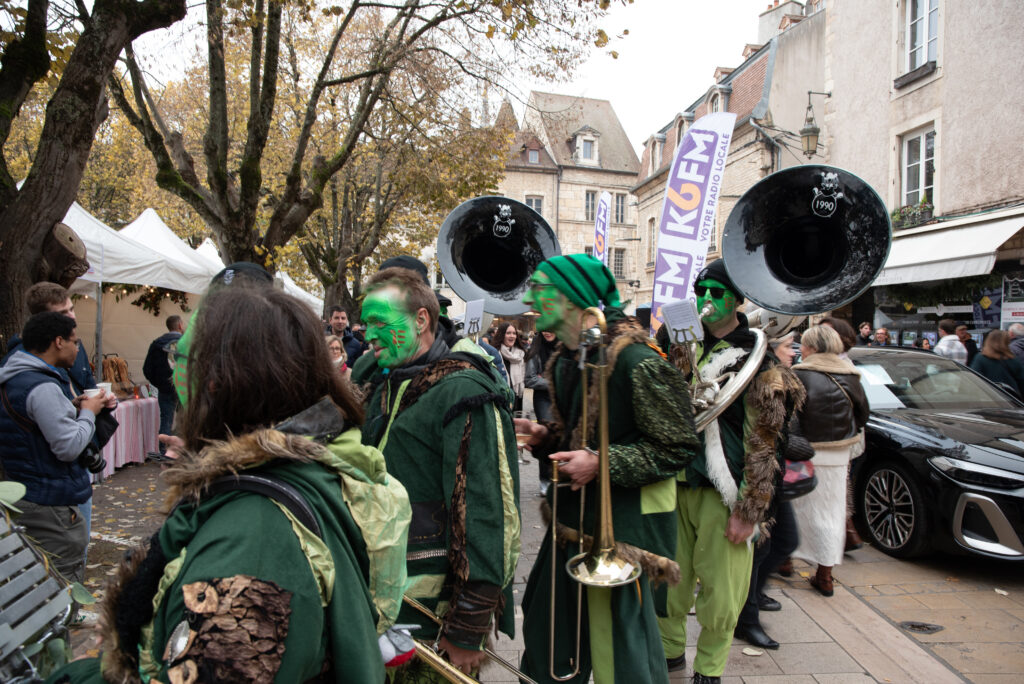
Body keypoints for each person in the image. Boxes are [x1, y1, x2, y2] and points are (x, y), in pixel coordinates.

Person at [53, 283, 412, 683]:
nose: (174, 371)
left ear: (218, 382)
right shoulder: (291, 470)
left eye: (182, 357)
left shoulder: (252, 547)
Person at [516, 253, 700, 684]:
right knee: (547, 633)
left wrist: (602, 463)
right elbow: (578, 433)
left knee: (623, 654)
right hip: (571, 524)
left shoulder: (637, 360)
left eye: (540, 288)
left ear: (572, 298)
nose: (529, 296)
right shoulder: (567, 358)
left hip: (623, 537)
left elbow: (677, 446)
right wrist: (546, 437)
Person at [359, 266, 520, 678]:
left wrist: (467, 627)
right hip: (379, 591)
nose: (369, 334)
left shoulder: (464, 390)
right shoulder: (382, 380)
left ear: (421, 319)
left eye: (380, 323)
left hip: (432, 602)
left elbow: (489, 513)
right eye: (365, 324)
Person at [655, 260, 801, 684]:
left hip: (725, 490)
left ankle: (710, 667)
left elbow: (766, 440)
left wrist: (750, 508)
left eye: (717, 293)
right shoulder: (680, 340)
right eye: (702, 291)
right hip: (673, 483)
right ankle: (669, 656)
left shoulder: (760, 356)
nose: (707, 300)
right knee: (670, 583)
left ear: (736, 300)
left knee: (723, 593)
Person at [0, 312, 110, 583]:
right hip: (48, 500)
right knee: (60, 584)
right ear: (58, 342)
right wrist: (89, 413)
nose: (78, 348)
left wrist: (70, 408)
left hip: (24, 491)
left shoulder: (14, 377)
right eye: (76, 341)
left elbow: (28, 424)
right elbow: (69, 446)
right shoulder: (41, 386)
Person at [733, 333, 809, 651]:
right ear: (769, 347)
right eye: (787, 345)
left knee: (778, 545)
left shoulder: (781, 379)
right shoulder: (761, 377)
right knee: (761, 550)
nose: (793, 351)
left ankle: (750, 602)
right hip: (761, 482)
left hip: (774, 483)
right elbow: (764, 435)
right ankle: (746, 616)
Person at [790, 325, 869, 597]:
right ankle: (825, 575)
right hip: (839, 453)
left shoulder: (799, 374)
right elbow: (863, 415)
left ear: (810, 347)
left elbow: (789, 415)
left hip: (805, 449)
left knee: (795, 506)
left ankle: (785, 559)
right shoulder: (852, 375)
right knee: (832, 513)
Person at [143, 315, 185, 454]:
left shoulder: (157, 344)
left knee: (166, 420)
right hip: (184, 388)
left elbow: (147, 369)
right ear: (179, 325)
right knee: (186, 419)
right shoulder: (186, 343)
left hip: (165, 389)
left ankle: (165, 451)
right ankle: (184, 450)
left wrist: (160, 383)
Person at [523, 330, 558, 495]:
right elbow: (529, 379)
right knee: (546, 437)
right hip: (544, 398)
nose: (548, 332)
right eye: (544, 328)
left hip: (562, 397)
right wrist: (553, 384)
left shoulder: (566, 347)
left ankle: (560, 477)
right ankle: (545, 480)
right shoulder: (536, 350)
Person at [970, 330, 1024, 397]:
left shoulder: (980, 358)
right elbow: (1021, 382)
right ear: (1006, 342)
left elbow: (974, 380)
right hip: (1011, 398)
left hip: (989, 397)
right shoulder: (1013, 359)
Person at [496, 321, 526, 410]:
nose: (512, 336)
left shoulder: (520, 354)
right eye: (508, 333)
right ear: (501, 335)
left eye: (514, 333)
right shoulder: (495, 353)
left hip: (517, 396)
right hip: (500, 397)